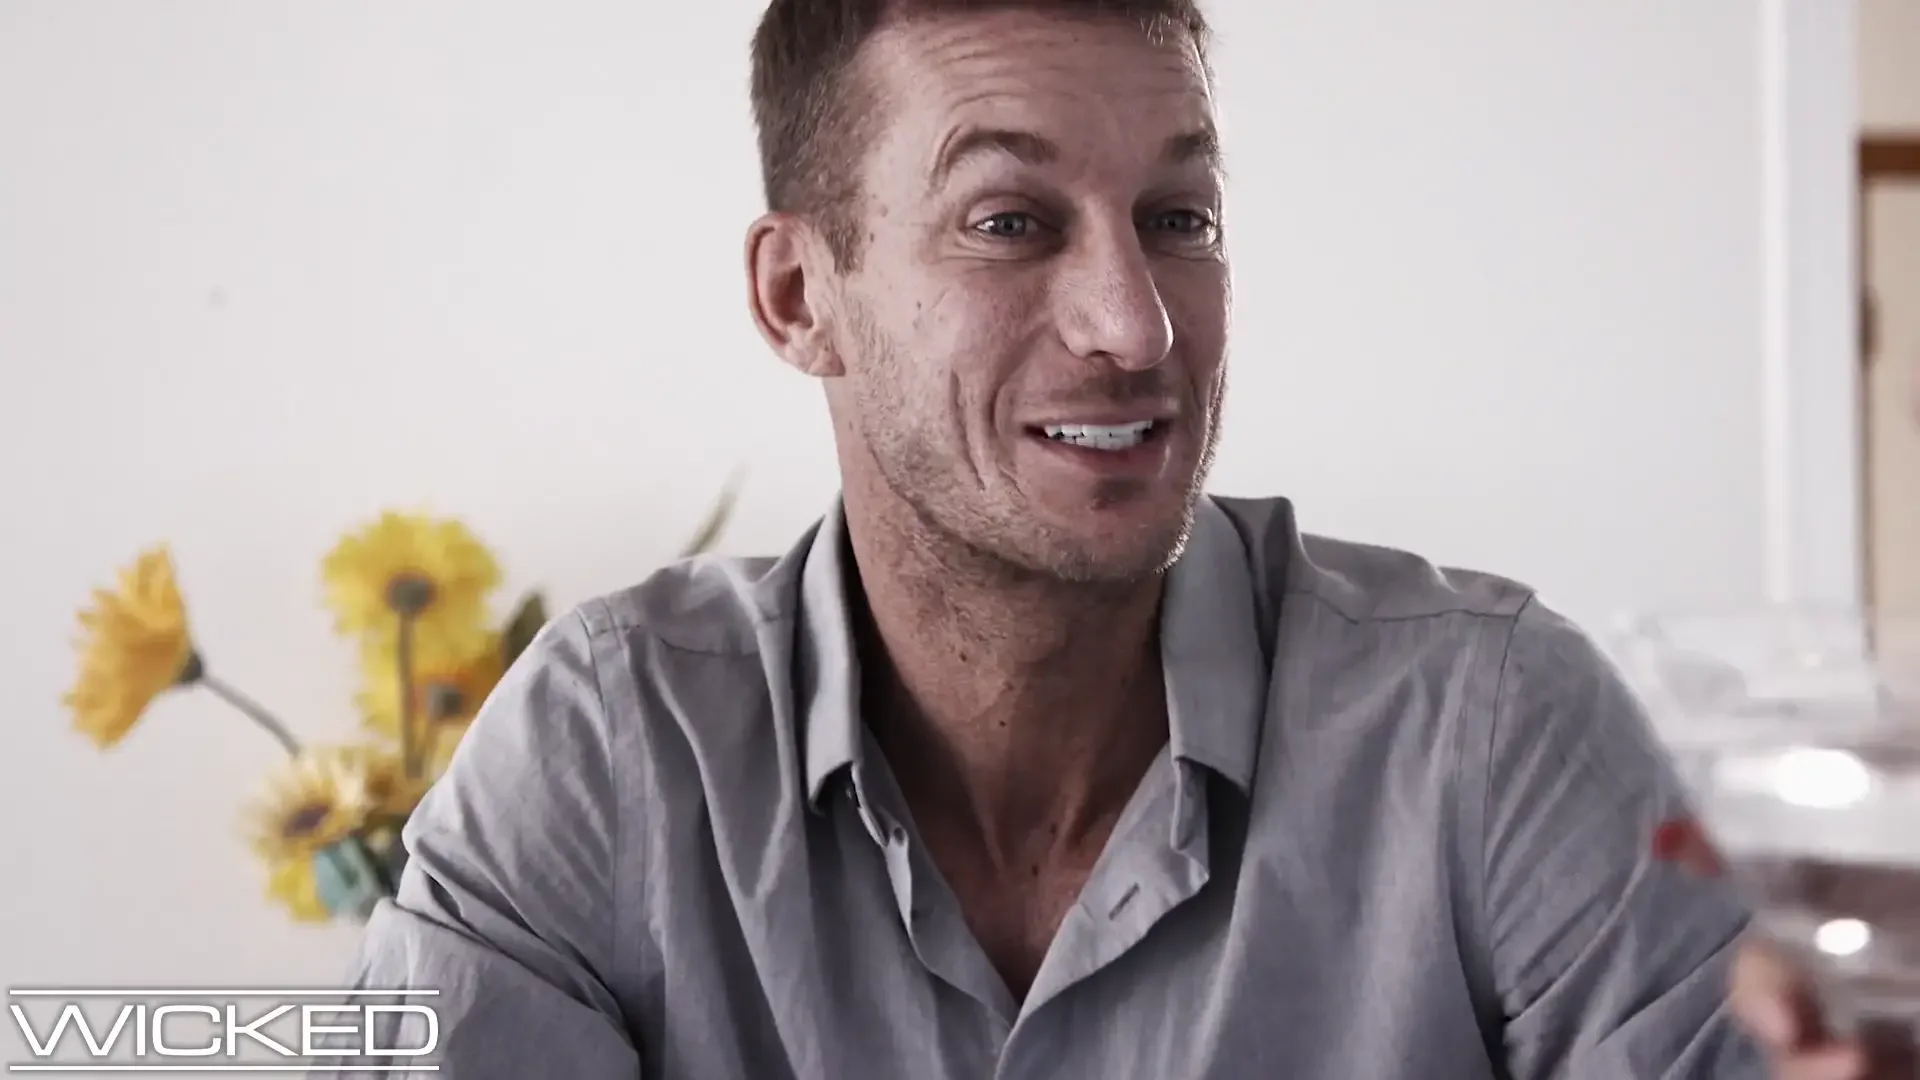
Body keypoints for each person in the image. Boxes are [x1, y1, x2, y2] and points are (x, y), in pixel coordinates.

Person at [316, 0, 1860, 1076]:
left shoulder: (1495, 729)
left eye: (1179, 219)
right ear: (799, 296)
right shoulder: (607, 752)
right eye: (1011, 222)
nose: (1135, 327)